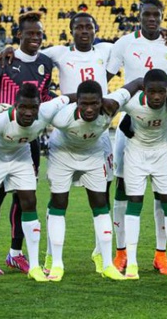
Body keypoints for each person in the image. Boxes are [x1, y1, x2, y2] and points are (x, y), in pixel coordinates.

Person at [0, 12, 114, 273]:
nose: (84, 31)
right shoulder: (58, 53)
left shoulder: (108, 49)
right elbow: (29, 52)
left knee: (104, 196)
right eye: (79, 27)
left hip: (99, 134)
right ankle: (49, 258)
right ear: (70, 31)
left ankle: (101, 252)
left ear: (96, 30)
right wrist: (10, 48)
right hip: (67, 130)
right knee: (55, 200)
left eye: (89, 27)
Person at [105, 0, 167, 275]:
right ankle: (122, 253)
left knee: (162, 194)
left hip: (159, 123)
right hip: (129, 122)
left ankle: (161, 254)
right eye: (146, 14)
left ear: (162, 16)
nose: (151, 19)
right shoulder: (124, 43)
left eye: (156, 14)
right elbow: (105, 75)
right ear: (139, 16)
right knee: (122, 189)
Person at [0, 11, 55, 277]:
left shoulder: (47, 64)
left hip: (28, 141)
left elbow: (42, 95)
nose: (35, 38)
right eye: (29, 33)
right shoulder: (3, 62)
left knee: (26, 199)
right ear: (19, 35)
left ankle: (16, 254)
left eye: (39, 34)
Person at [44, 79, 140, 282]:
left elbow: (139, 82)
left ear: (102, 101)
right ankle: (57, 263)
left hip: (93, 155)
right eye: (83, 104)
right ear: (76, 103)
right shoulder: (61, 117)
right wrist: (69, 97)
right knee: (59, 204)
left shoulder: (111, 106)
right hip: (63, 154)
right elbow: (37, 111)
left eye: (94, 104)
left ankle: (107, 264)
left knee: (100, 204)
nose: (89, 109)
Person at [0, 84, 67, 284]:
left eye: (33, 107)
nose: (28, 112)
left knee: (29, 202)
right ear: (15, 105)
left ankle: (34, 266)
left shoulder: (46, 112)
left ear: (39, 106)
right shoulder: (0, 120)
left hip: (20, 156)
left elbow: (70, 97)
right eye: (23, 107)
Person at [117, 69, 167, 280]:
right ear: (144, 90)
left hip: (163, 153)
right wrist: (124, 124)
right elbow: (110, 102)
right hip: (136, 153)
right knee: (134, 202)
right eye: (152, 92)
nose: (157, 97)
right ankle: (132, 263)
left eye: (162, 92)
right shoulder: (132, 101)